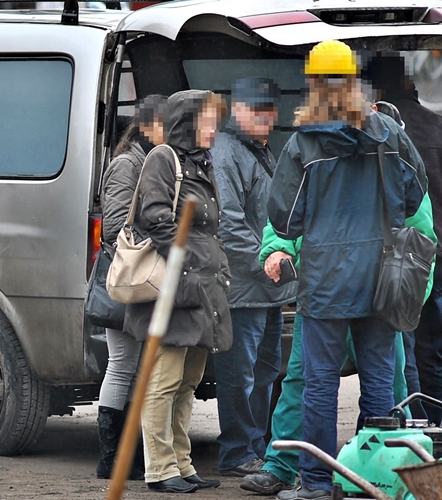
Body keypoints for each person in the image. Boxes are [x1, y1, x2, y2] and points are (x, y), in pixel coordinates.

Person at [267, 40, 427, 499]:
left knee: (318, 384)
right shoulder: (391, 134)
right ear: (356, 82)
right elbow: (414, 196)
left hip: (326, 280)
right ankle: (376, 481)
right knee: (378, 382)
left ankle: (315, 483)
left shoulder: (304, 144)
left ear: (313, 85)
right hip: (382, 279)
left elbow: (284, 217)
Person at [240, 197, 435, 496]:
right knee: (301, 383)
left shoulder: (394, 152)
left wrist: (412, 290)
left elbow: (420, 233)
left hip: (377, 294)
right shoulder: (309, 151)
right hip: (322, 289)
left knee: (391, 387)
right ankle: (282, 466)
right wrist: (277, 247)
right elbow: (287, 205)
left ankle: (383, 469)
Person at [125, 89, 231, 493]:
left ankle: (183, 464)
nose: (213, 127)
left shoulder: (199, 163)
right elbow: (154, 218)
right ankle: (160, 468)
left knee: (189, 380)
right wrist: (186, 264)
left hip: (203, 289)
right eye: (206, 119)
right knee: (164, 380)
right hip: (175, 288)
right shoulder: (163, 158)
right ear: (187, 121)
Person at [210, 77, 298, 477]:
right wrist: (268, 261)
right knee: (240, 375)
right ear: (238, 110)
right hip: (244, 289)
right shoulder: (226, 152)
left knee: (265, 373)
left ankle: (255, 447)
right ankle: (236, 451)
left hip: (269, 289)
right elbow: (228, 223)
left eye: (270, 110)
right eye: (256, 110)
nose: (265, 117)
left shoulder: (260, 150)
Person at [364, 53, 442, 425]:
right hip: (435, 248)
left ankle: (417, 418)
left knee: (405, 344)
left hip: (401, 256)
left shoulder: (379, 133)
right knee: (434, 346)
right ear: (410, 82)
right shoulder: (436, 126)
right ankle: (436, 422)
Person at [96, 94, 167, 480]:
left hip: (143, 278)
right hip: (130, 277)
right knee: (122, 365)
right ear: (150, 125)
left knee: (137, 367)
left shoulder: (151, 161)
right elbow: (113, 228)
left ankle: (128, 453)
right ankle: (110, 458)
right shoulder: (128, 164)